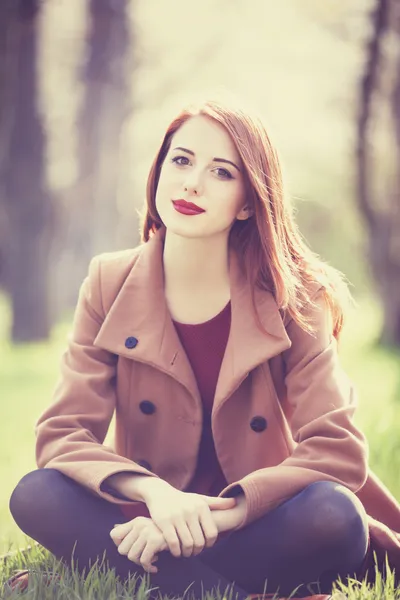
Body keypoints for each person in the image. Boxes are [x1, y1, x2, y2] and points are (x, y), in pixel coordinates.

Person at [8, 96, 400, 600]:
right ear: (159, 174)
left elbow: (336, 449)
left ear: (248, 202)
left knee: (334, 516)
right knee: (37, 494)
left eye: (221, 171)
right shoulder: (109, 281)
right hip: (151, 514)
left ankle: (168, 584)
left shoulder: (296, 296)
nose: (192, 182)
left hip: (256, 520)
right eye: (182, 160)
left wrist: (217, 517)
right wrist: (158, 496)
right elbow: (63, 434)